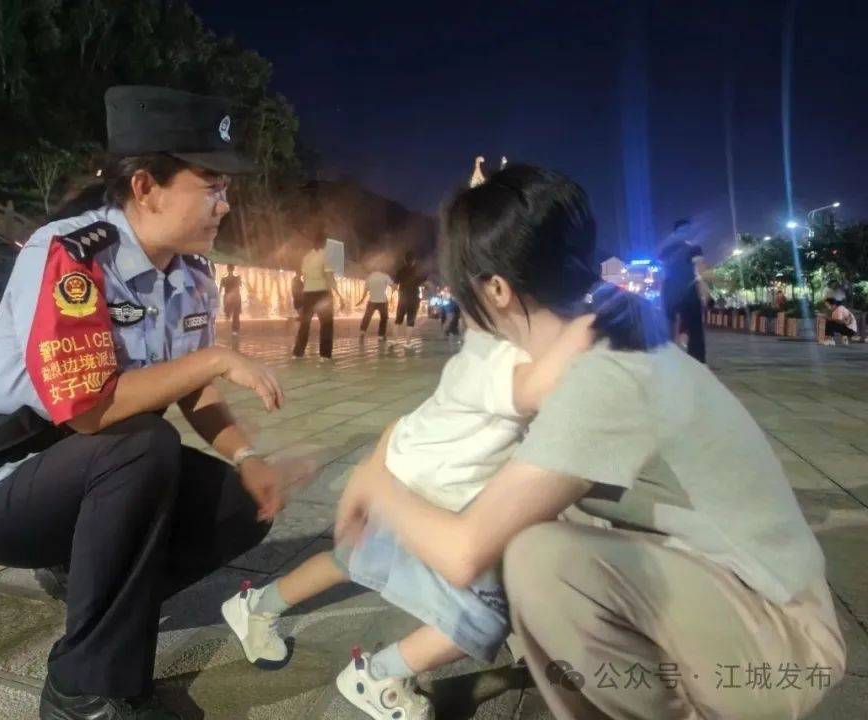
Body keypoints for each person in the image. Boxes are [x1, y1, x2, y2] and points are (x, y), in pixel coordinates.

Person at [335, 163, 845, 720]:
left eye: (463, 289)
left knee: (536, 560)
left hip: (782, 640)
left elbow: (463, 553)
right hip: (735, 599)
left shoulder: (603, 375)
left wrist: (376, 486)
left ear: (497, 290)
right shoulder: (594, 340)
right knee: (524, 525)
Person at [0, 86, 297, 720]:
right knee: (142, 443)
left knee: (242, 503)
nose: (225, 204)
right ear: (146, 187)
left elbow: (192, 388)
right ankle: (83, 687)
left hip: (101, 475)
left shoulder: (191, 274)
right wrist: (215, 358)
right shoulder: (72, 255)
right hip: (5, 485)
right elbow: (89, 411)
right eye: (211, 186)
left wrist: (248, 456)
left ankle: (87, 585)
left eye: (226, 189)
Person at [221, 317, 594, 719]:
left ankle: (258, 605)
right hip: (422, 501)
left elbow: (414, 421)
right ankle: (378, 677)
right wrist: (594, 335)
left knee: (349, 561)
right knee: (480, 619)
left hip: (415, 486)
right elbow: (543, 387)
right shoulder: (511, 356)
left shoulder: (487, 348)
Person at [658, 219, 706, 363]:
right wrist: (704, 293)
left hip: (669, 290)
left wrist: (662, 294)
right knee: (695, 328)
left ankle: (666, 358)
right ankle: (697, 361)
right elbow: (700, 269)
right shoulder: (694, 248)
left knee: (668, 327)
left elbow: (661, 272)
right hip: (688, 289)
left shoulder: (665, 250)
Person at [293, 231, 344, 360]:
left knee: (305, 324)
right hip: (322, 293)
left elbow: (304, 277)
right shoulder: (326, 256)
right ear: (324, 243)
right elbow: (329, 278)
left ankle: (297, 353)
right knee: (326, 324)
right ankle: (324, 355)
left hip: (308, 293)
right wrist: (339, 295)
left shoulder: (306, 257)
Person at [393, 251, 423, 342]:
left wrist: (396, 291)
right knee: (410, 322)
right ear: (414, 261)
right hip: (414, 299)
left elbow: (394, 285)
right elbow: (423, 283)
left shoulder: (400, 271)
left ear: (404, 260)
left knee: (398, 320)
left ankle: (394, 340)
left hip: (403, 299)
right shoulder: (417, 271)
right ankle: (408, 342)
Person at [356, 266, 393, 340]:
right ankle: (381, 335)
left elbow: (365, 290)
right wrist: (393, 293)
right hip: (383, 301)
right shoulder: (385, 276)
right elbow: (393, 285)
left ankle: (362, 332)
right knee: (384, 318)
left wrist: (361, 300)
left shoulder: (369, 277)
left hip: (372, 301)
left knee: (367, 317)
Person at [220, 264, 243, 334]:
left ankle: (228, 317)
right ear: (233, 269)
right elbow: (240, 286)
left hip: (228, 298)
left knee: (228, 313)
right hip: (236, 298)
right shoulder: (237, 278)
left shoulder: (223, 279)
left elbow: (220, 290)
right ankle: (235, 330)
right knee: (236, 315)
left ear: (227, 269)